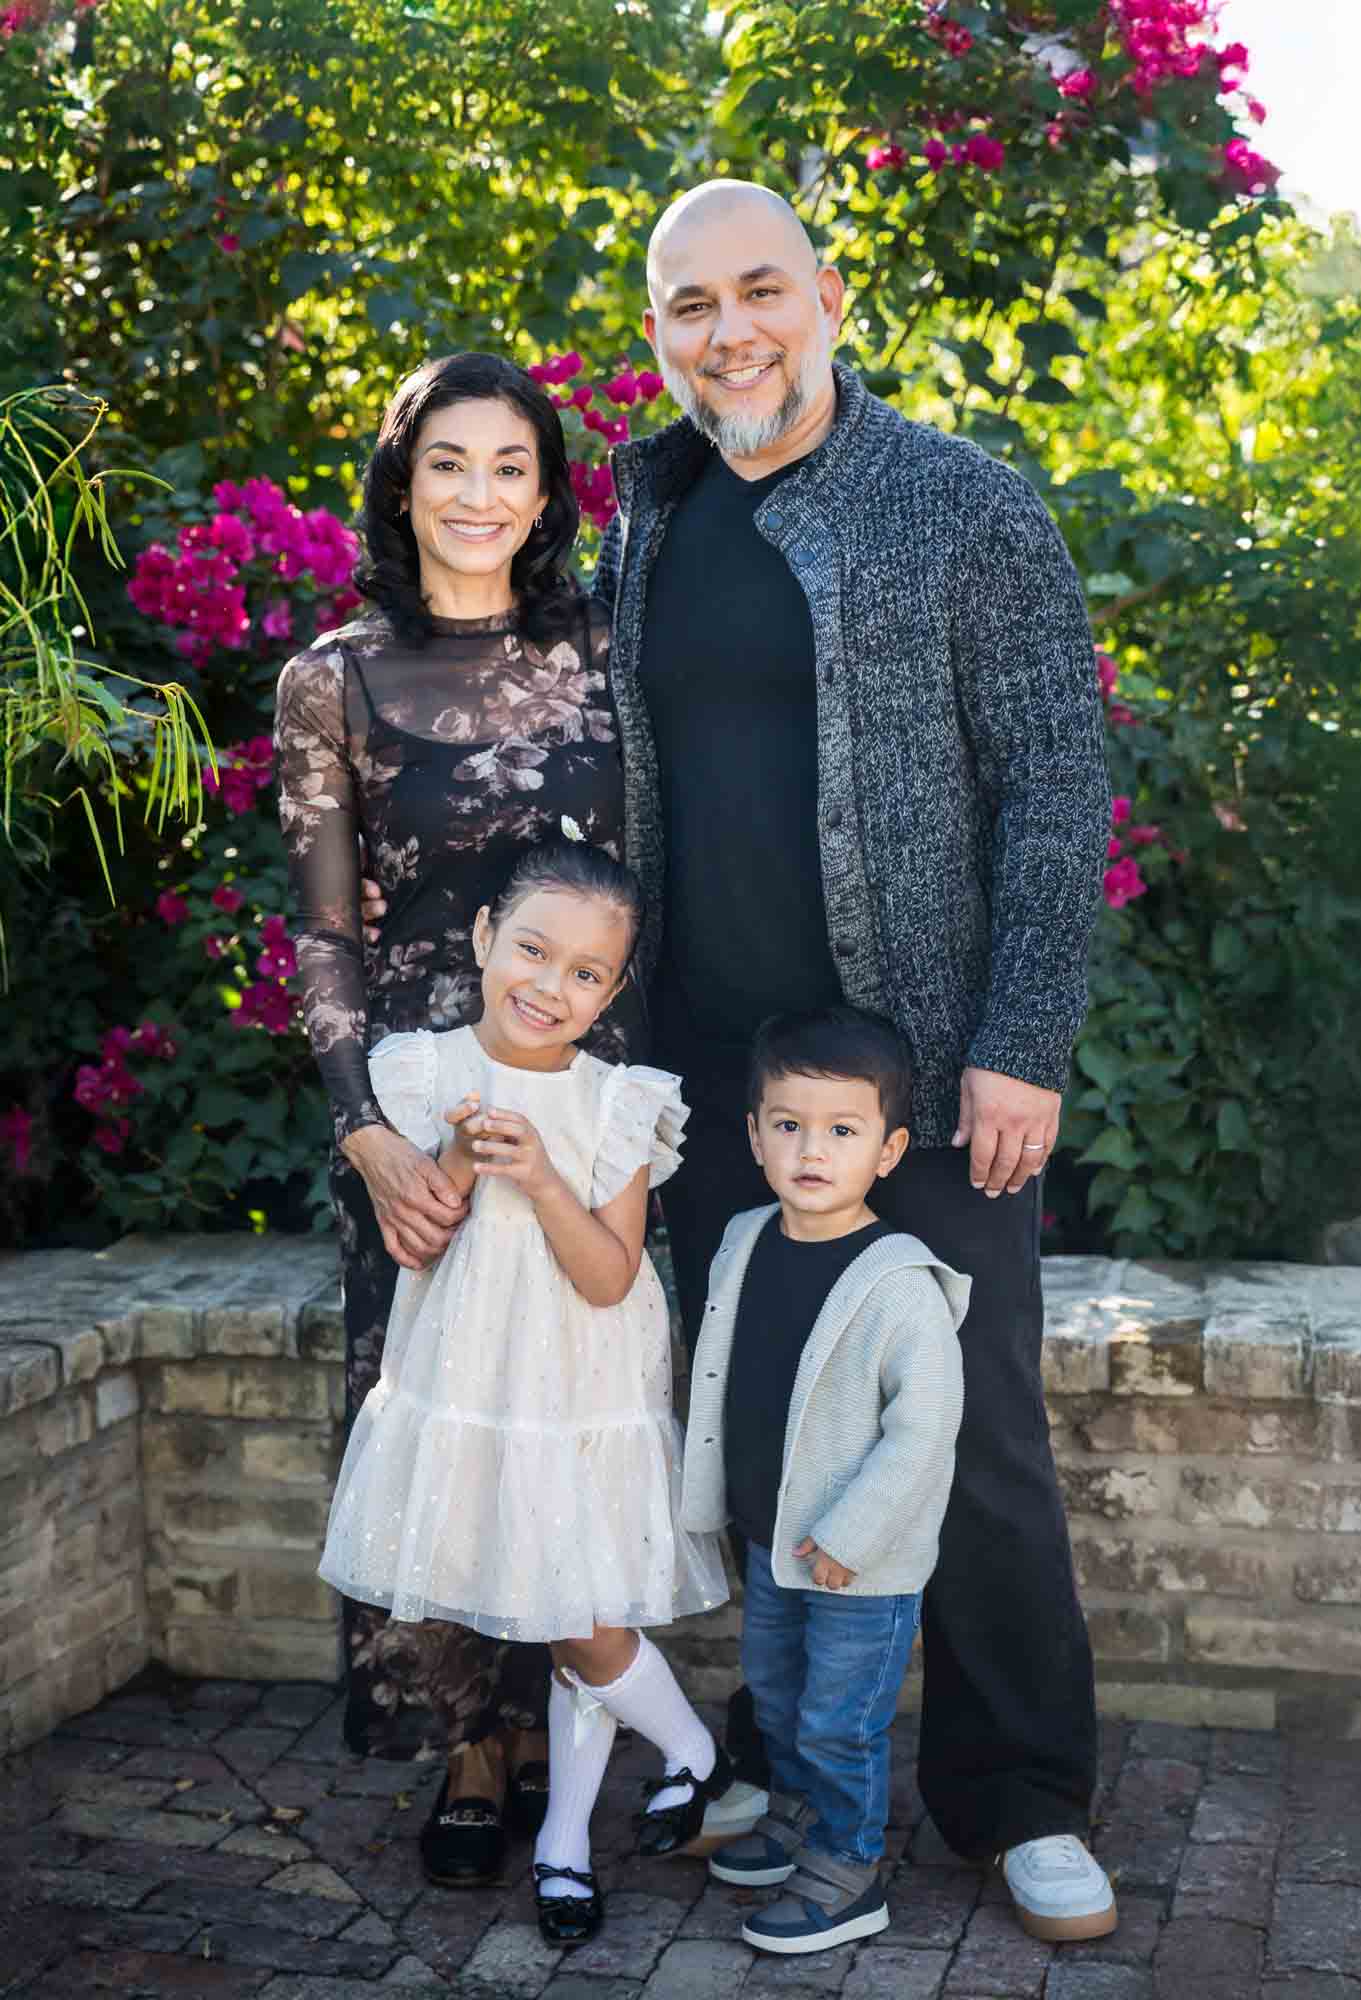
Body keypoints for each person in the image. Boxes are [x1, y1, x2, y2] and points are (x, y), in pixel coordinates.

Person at [596, 180, 1118, 1940]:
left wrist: (1019, 1044)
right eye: (688, 305)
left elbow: (1055, 783)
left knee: (968, 1442)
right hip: (715, 1087)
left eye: (758, 291)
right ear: (655, 331)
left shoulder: (961, 505)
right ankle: (791, 1765)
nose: (727, 331)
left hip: (916, 1090)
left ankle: (1022, 1793)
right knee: (755, 1434)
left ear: (828, 296)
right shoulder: (649, 511)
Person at [274, 351, 644, 1889]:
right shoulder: (333, 681)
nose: (479, 494)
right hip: (420, 1115)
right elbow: (321, 940)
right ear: (401, 480)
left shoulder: (612, 655)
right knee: (434, 1420)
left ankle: (583, 1719)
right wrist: (364, 1133)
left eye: (511, 465)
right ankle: (473, 1748)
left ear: (548, 493)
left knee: (568, 1408)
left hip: (587, 1099)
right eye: (448, 462)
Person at [317, 841, 731, 1948]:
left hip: (582, 1391)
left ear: (611, 987)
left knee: (585, 1621)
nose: (552, 987)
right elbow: (419, 1248)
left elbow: (608, 1277)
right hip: (475, 1387)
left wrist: (545, 1174)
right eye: (534, 950)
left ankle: (699, 1761)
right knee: (563, 1624)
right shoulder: (414, 1071)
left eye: (588, 972)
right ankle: (569, 1845)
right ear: (484, 938)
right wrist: (452, 1155)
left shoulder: (619, 1102)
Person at [681, 1006, 969, 1955]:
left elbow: (924, 1432)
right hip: (771, 1536)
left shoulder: (898, 1285)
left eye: (841, 1130)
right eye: (789, 1124)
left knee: (840, 1720)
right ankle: (798, 1819)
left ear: (886, 1151)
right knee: (774, 1693)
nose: (812, 1149)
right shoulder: (743, 1240)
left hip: (859, 1563)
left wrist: (853, 1536)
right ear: (755, 1132)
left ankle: (849, 1866)